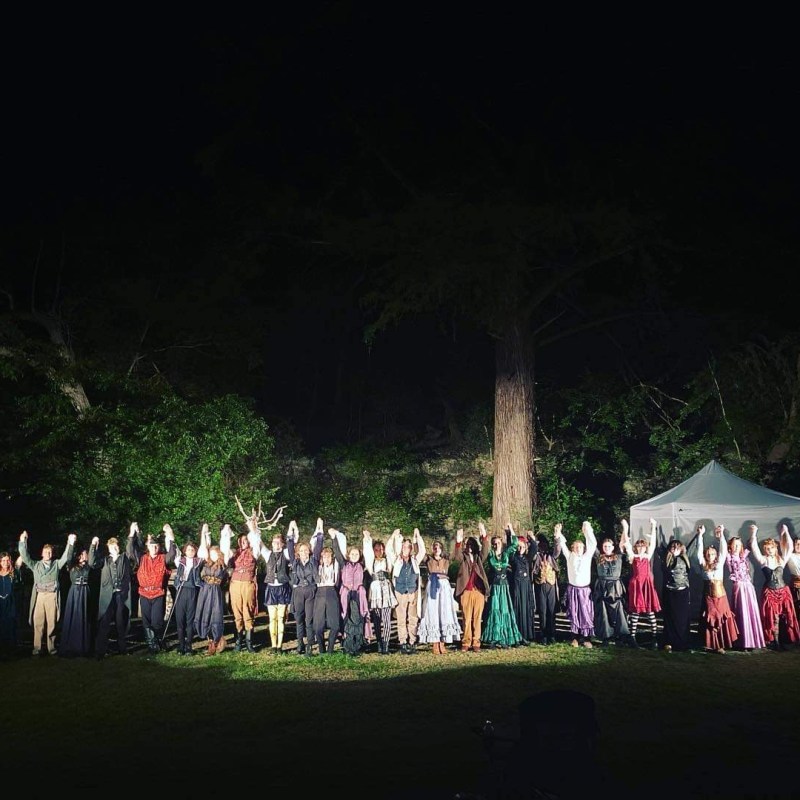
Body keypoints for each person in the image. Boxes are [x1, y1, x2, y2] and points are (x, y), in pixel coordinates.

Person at [18, 530, 75, 656]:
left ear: (52, 553)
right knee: (38, 623)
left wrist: (70, 543)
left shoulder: (56, 564)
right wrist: (22, 541)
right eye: (45, 552)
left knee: (52, 623)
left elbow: (66, 557)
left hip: (52, 596)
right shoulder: (35, 565)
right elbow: (25, 557)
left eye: (49, 552)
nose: (48, 554)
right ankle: (37, 648)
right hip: (39, 596)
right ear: (42, 553)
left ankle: (52, 648)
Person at [749, 523, 800, 650]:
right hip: (770, 592)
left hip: (783, 592)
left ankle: (785, 640)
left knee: (786, 616)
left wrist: (785, 532)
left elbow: (789, 547)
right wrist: (754, 533)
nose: (769, 550)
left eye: (771, 547)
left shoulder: (781, 559)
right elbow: (754, 548)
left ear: (775, 547)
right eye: (766, 548)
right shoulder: (763, 560)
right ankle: (775, 642)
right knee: (773, 618)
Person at [128, 522, 174, 654]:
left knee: (157, 621)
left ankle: (159, 640)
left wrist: (170, 534)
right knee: (146, 621)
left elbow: (172, 553)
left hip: (158, 593)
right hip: (144, 593)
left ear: (158, 547)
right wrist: (132, 533)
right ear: (148, 547)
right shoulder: (142, 558)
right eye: (151, 545)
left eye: (156, 546)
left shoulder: (163, 558)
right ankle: (152, 644)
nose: (154, 548)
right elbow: (130, 550)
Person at [89, 532, 136, 658]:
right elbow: (92, 562)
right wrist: (93, 545)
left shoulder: (124, 558)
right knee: (104, 623)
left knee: (121, 623)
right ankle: (100, 651)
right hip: (107, 596)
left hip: (121, 596)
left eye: (116, 546)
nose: (114, 548)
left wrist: (131, 534)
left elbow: (130, 550)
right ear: (108, 548)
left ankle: (122, 649)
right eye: (112, 546)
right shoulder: (105, 560)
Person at [696, 525, 738, 654]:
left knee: (721, 619)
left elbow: (723, 551)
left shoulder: (719, 564)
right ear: (705, 555)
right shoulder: (703, 565)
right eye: (708, 553)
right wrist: (700, 535)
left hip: (721, 597)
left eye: (713, 553)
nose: (710, 555)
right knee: (710, 620)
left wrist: (722, 536)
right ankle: (710, 644)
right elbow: (698, 552)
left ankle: (721, 644)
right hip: (709, 597)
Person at [620, 517, 661, 649]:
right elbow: (626, 543)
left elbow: (653, 543)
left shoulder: (648, 556)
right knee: (635, 611)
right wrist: (625, 528)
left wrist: (653, 527)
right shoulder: (633, 557)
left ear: (645, 547)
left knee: (650, 611)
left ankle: (654, 638)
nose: (640, 548)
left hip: (647, 586)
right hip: (637, 586)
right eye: (638, 546)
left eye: (642, 546)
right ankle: (632, 638)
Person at [553, 521, 596, 648]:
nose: (578, 549)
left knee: (586, 614)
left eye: (580, 547)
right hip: (573, 590)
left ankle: (586, 638)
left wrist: (587, 529)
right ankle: (575, 638)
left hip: (585, 591)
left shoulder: (587, 556)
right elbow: (562, 544)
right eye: (576, 547)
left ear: (584, 548)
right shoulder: (570, 556)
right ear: (573, 548)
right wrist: (558, 532)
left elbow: (593, 544)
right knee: (575, 613)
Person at [721, 527, 765, 651]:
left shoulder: (744, 556)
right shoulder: (729, 558)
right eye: (734, 545)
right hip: (739, 587)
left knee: (751, 612)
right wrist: (722, 534)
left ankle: (752, 640)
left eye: (739, 545)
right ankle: (742, 641)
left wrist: (754, 533)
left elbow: (753, 545)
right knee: (741, 612)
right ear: (730, 547)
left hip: (748, 587)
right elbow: (723, 549)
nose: (736, 547)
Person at [482, 524, 524, 649]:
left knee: (504, 610)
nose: (496, 545)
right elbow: (484, 550)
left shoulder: (506, 554)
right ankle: (494, 637)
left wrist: (511, 529)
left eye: (498, 543)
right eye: (494, 543)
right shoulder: (490, 555)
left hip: (504, 586)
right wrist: (483, 533)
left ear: (501, 543)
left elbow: (515, 543)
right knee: (494, 610)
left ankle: (505, 637)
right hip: (495, 586)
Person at [417, 537, 461, 653]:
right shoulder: (428, 559)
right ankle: (435, 643)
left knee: (444, 612)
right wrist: (417, 539)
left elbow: (456, 555)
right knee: (433, 612)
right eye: (435, 547)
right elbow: (419, 552)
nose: (437, 549)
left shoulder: (446, 559)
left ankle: (442, 642)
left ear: (442, 549)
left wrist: (458, 542)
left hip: (444, 587)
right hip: (432, 586)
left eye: (439, 547)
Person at [387, 528, 426, 654]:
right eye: (404, 546)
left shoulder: (415, 560)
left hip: (412, 592)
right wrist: (393, 536)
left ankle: (412, 641)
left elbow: (423, 550)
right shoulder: (397, 560)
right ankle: (403, 642)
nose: (406, 549)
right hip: (400, 592)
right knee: (401, 619)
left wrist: (418, 536)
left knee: (413, 618)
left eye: (409, 547)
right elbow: (388, 550)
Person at [166, 525, 204, 656]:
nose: (190, 551)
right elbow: (173, 549)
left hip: (192, 591)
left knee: (190, 620)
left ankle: (189, 646)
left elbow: (204, 549)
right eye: (188, 549)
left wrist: (204, 533)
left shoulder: (198, 561)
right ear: (185, 551)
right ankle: (181, 645)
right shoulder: (180, 561)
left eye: (192, 550)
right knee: (180, 619)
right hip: (181, 591)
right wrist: (170, 534)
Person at [591, 525, 631, 647]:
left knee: (619, 611)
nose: (607, 548)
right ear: (602, 547)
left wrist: (625, 528)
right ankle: (606, 637)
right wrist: (589, 530)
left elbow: (623, 542)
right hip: (602, 586)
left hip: (616, 587)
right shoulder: (599, 557)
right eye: (605, 546)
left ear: (613, 547)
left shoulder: (618, 555)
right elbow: (592, 543)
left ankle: (621, 637)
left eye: (609, 546)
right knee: (603, 611)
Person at [452, 524, 490, 652]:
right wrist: (458, 541)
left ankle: (476, 642)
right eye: (467, 544)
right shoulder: (463, 557)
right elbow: (457, 556)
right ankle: (466, 642)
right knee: (466, 618)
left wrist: (483, 534)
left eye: (471, 544)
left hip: (478, 591)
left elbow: (485, 550)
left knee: (477, 618)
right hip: (466, 591)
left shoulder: (479, 557)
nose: (469, 547)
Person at [260, 526, 295, 655]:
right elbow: (258, 542)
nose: (276, 545)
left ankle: (279, 646)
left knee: (281, 619)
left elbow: (291, 545)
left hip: (282, 588)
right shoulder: (267, 554)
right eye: (274, 542)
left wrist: (291, 530)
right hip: (271, 589)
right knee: (272, 619)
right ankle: (273, 645)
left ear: (282, 544)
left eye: (279, 542)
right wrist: (254, 527)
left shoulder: (285, 554)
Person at [362, 528, 398, 655]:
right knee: (377, 620)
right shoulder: (370, 562)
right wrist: (367, 538)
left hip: (386, 591)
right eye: (377, 549)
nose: (379, 551)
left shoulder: (388, 561)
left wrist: (393, 536)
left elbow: (391, 550)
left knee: (387, 619)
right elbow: (367, 552)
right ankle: (378, 643)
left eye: (381, 549)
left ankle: (386, 644)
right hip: (376, 591)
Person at [196, 523, 230, 655]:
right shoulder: (206, 563)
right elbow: (203, 548)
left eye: (215, 554)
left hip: (215, 592)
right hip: (205, 592)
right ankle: (209, 641)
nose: (213, 556)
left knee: (215, 615)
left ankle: (216, 640)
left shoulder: (223, 564)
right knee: (205, 614)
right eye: (211, 554)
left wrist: (225, 531)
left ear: (219, 554)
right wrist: (204, 533)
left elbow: (226, 545)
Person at [58, 540, 96, 658]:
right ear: (80, 555)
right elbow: (69, 557)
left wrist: (93, 545)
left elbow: (92, 560)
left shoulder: (88, 567)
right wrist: (71, 543)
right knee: (73, 617)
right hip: (74, 592)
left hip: (85, 592)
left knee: (84, 617)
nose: (86, 555)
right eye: (84, 553)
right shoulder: (72, 566)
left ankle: (83, 646)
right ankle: (71, 645)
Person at [313, 528, 346, 654]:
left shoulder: (336, 565)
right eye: (324, 556)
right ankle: (322, 649)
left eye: (329, 556)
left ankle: (330, 649)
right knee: (318, 626)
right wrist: (320, 535)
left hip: (332, 592)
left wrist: (333, 538)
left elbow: (338, 552)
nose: (327, 558)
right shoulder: (317, 566)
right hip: (320, 593)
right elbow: (316, 551)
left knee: (335, 625)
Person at [227, 526, 259, 653]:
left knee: (248, 611)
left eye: (245, 540)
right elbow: (224, 547)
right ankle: (238, 642)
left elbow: (256, 540)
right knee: (237, 612)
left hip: (248, 583)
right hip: (235, 584)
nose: (243, 542)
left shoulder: (254, 551)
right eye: (241, 540)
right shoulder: (234, 553)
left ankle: (249, 642)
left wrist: (252, 527)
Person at [289, 519, 318, 656]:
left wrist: (319, 527)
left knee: (309, 620)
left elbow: (319, 545)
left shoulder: (313, 561)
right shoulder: (295, 562)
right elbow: (290, 546)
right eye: (301, 550)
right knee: (299, 619)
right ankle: (300, 643)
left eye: (306, 550)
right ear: (298, 552)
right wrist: (291, 529)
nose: (304, 552)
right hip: (298, 592)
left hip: (310, 590)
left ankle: (310, 645)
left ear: (309, 551)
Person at [659, 534, 692, 652]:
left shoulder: (685, 559)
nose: (675, 549)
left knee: (682, 619)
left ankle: (682, 643)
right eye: (673, 547)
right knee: (670, 618)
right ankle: (668, 642)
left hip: (683, 592)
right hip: (670, 592)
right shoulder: (667, 559)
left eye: (678, 547)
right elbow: (666, 568)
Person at [339, 541, 372, 656]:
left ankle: (358, 645)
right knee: (347, 619)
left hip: (358, 596)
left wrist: (367, 540)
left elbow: (369, 554)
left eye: (356, 554)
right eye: (352, 554)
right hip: (346, 596)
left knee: (358, 619)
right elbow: (337, 552)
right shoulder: (344, 565)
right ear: (348, 555)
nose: (354, 556)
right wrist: (334, 537)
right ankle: (348, 645)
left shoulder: (361, 566)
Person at [530, 532, 559, 645]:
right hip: (540, 585)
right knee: (542, 610)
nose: (543, 546)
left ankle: (552, 634)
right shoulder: (536, 556)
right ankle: (543, 634)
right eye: (540, 544)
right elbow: (532, 553)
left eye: (544, 544)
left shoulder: (552, 555)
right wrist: (533, 541)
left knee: (551, 610)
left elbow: (557, 550)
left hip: (551, 585)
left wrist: (557, 537)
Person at [508, 531, 536, 645]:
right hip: (516, 587)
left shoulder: (527, 558)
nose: (520, 549)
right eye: (519, 547)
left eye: (523, 547)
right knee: (517, 609)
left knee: (526, 610)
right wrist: (511, 533)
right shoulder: (513, 558)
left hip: (526, 587)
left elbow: (534, 547)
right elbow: (510, 547)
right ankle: (516, 636)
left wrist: (530, 537)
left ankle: (525, 635)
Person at [0, 551, 19, 657]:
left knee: (10, 625)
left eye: (7, 560)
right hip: (0, 604)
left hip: (10, 603)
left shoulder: (13, 573)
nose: (5, 563)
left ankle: (11, 651)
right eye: (3, 560)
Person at [786, 533, 800, 624]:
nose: (799, 546)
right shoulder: (790, 556)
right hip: (797, 586)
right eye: (797, 544)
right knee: (797, 609)